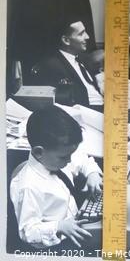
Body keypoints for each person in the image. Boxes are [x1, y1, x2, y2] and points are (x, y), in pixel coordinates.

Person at [10, 105, 102, 249]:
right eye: (65, 157)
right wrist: (59, 227)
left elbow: (82, 159)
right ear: (39, 152)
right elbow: (27, 232)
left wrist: (92, 173)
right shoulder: (29, 186)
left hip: (73, 222)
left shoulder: (56, 158)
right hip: (56, 243)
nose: (70, 161)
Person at [31, 21, 103, 107]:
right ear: (66, 40)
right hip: (87, 111)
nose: (87, 37)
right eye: (81, 34)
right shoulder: (51, 65)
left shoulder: (83, 59)